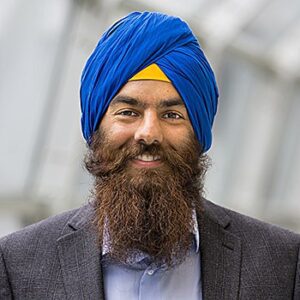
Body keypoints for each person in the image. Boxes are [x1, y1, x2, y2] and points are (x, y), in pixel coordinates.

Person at [0, 11, 299, 300]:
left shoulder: (283, 264)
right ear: (96, 126)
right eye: (128, 112)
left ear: (200, 130)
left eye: (172, 115)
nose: (148, 133)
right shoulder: (18, 265)